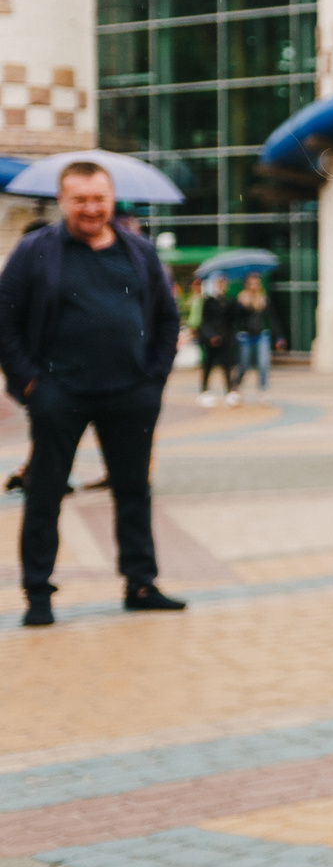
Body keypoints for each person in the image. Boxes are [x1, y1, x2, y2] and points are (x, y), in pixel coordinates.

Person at [0, 160, 186, 626]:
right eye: (80, 199)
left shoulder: (139, 251)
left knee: (134, 492)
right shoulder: (36, 251)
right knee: (44, 493)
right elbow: (5, 319)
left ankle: (141, 583)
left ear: (111, 198)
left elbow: (168, 315)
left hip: (130, 393)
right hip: (58, 392)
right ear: (63, 201)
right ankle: (38, 594)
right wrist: (29, 383)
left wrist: (154, 378)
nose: (90, 208)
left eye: (98, 198)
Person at [194, 276, 242, 407]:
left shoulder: (229, 301)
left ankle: (229, 391)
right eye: (219, 283)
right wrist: (211, 336)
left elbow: (232, 320)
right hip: (210, 339)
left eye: (224, 283)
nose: (222, 286)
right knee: (208, 364)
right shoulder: (208, 301)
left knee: (226, 365)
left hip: (225, 338)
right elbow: (205, 321)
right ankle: (204, 389)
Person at [235, 274, 276, 395]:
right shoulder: (241, 299)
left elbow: (272, 318)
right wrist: (241, 305)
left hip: (261, 335)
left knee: (263, 364)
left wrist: (278, 335)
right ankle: (236, 386)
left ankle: (263, 389)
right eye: (251, 283)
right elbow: (236, 318)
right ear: (246, 285)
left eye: (256, 283)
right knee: (244, 364)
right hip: (245, 336)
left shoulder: (263, 299)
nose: (254, 286)